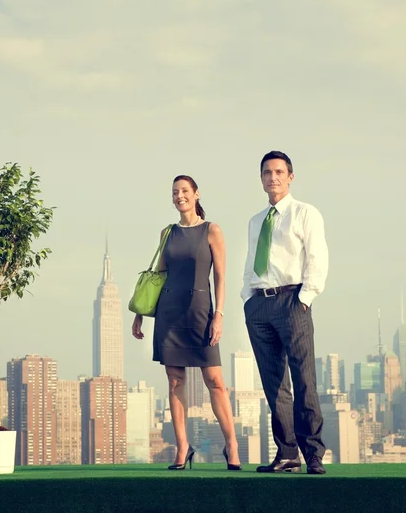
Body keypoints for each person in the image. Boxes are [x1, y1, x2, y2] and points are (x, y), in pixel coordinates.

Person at [132, 175, 241, 471]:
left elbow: (220, 276)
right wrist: (140, 312)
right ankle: (183, 447)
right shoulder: (167, 233)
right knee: (175, 380)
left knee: (215, 381)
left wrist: (219, 315)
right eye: (175, 192)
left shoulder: (212, 230)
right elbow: (159, 274)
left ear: (196, 195)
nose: (179, 196)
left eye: (184, 191)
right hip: (169, 313)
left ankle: (231, 445)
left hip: (200, 312)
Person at [241, 151, 328, 475]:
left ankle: (313, 454)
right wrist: (247, 298)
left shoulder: (305, 213)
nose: (272, 177)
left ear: (290, 176)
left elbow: (317, 258)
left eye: (279, 172)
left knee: (305, 380)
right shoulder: (255, 221)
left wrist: (305, 298)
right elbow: (251, 262)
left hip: (293, 300)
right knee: (274, 384)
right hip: (259, 305)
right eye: (267, 172)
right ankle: (287, 453)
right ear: (261, 178)